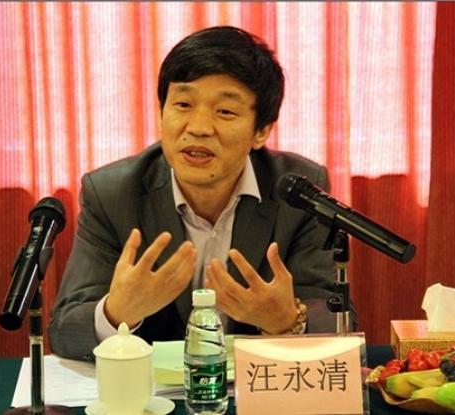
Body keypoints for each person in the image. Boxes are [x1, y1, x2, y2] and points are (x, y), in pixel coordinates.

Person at [48, 26, 356, 361]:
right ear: (161, 113)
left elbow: (338, 319)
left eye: (225, 112)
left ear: (261, 131)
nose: (198, 128)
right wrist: (117, 312)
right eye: (183, 104)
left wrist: (285, 321)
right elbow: (65, 329)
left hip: (254, 384)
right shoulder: (112, 194)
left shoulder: (298, 192)